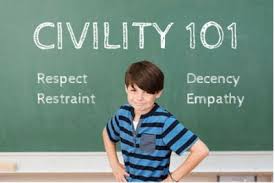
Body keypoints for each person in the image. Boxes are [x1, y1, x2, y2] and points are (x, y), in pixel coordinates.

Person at [102, 60, 209, 182]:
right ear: (126, 88)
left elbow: (201, 150)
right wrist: (114, 165)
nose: (139, 98)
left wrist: (172, 179)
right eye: (134, 90)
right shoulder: (123, 114)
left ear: (158, 93)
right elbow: (107, 134)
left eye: (147, 92)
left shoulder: (164, 121)